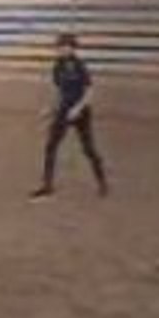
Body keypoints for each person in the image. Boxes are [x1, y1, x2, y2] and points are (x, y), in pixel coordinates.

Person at [30, 33, 108, 199]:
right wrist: (51, 108)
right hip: (64, 109)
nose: (61, 50)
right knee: (51, 145)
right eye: (59, 47)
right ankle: (47, 185)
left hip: (81, 113)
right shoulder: (57, 66)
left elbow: (89, 91)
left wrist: (78, 108)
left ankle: (102, 182)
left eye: (65, 47)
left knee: (88, 148)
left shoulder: (80, 66)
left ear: (72, 48)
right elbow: (59, 91)